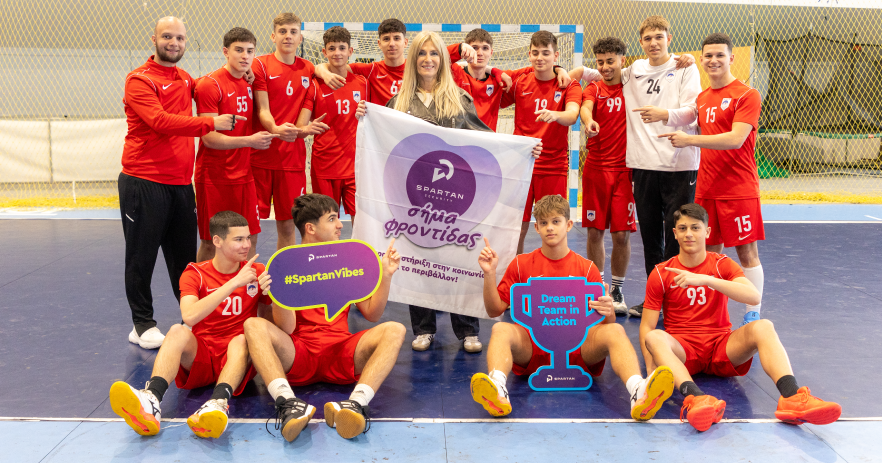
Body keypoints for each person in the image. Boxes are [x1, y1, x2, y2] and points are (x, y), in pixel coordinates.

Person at [365, 31, 541, 353]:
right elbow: (385, 142)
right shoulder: (398, 103)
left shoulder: (459, 99)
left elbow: (484, 140)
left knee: (459, 257)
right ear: (413, 60)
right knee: (418, 255)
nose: (428, 59)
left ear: (444, 60)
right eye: (422, 53)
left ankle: (467, 329)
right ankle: (424, 328)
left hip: (455, 197)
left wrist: (521, 149)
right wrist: (368, 120)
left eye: (434, 53)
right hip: (414, 197)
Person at [640, 203, 841, 432]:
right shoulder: (661, 273)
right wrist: (652, 374)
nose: (689, 234)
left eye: (695, 228)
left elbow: (753, 296)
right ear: (674, 233)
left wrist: (706, 280)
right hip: (684, 352)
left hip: (721, 348)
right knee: (654, 337)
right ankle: (696, 398)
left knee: (763, 326)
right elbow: (647, 327)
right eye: (683, 228)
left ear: (707, 232)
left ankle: (792, 397)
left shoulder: (721, 264)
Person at [471, 195, 674, 420]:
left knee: (616, 330)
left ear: (568, 225)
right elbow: (494, 310)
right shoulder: (520, 264)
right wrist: (489, 274)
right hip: (533, 349)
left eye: (556, 221)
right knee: (500, 329)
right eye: (544, 223)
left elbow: (606, 323)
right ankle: (498, 389)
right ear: (536, 228)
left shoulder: (587, 269)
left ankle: (638, 390)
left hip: (578, 351)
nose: (550, 228)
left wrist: (608, 310)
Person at [120, 16, 242, 349]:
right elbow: (160, 121)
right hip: (143, 181)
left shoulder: (186, 78)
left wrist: (240, 71)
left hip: (180, 184)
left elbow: (211, 83)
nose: (174, 43)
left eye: (180, 38)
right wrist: (210, 122)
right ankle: (142, 324)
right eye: (167, 37)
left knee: (184, 260)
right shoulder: (139, 80)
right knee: (141, 256)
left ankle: (194, 317)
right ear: (154, 39)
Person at [242, 194, 405, 442]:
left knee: (395, 329)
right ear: (310, 228)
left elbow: (372, 314)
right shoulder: (285, 266)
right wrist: (278, 295)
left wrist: (386, 276)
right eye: (332, 219)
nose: (340, 225)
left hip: (342, 352)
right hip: (299, 354)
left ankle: (355, 404)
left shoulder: (348, 261)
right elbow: (287, 328)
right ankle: (288, 403)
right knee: (253, 325)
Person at [109, 211, 271, 439]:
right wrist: (234, 283)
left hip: (237, 358)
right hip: (202, 357)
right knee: (177, 331)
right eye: (238, 239)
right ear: (217, 241)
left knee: (242, 338)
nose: (247, 245)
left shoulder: (257, 272)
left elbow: (266, 324)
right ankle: (151, 399)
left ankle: (218, 403)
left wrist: (271, 295)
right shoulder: (196, 273)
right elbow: (190, 316)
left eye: (247, 238)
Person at [659, 33, 765, 326]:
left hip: (739, 189)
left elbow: (735, 139)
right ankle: (709, 316)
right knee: (707, 254)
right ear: (702, 59)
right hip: (707, 189)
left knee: (746, 253)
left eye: (720, 55)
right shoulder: (702, 98)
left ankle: (752, 314)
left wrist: (689, 141)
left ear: (731, 58)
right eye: (708, 55)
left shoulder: (747, 95)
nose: (714, 60)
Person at [622, 16, 701, 318]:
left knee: (679, 233)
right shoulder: (633, 71)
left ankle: (676, 300)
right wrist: (567, 71)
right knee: (650, 236)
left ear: (669, 38)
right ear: (640, 42)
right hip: (643, 165)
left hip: (679, 164)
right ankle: (654, 298)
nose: (653, 43)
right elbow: (601, 72)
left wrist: (664, 114)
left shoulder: (685, 67)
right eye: (648, 38)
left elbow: (693, 112)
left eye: (659, 37)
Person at [194, 27, 277, 262]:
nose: (245, 56)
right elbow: (209, 138)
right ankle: (203, 284)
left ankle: (246, 284)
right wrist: (249, 141)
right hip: (214, 177)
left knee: (249, 238)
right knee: (211, 242)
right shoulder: (210, 84)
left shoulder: (249, 81)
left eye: (250, 51)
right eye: (239, 50)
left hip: (244, 175)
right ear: (225, 51)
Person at [499, 31, 582, 256]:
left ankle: (554, 270)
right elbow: (494, 89)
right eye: (535, 53)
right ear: (529, 55)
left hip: (553, 167)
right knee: (517, 228)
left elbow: (572, 115)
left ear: (556, 56)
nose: (540, 58)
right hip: (521, 166)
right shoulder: (520, 81)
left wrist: (556, 115)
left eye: (546, 53)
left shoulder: (569, 85)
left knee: (553, 226)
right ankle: (514, 269)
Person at [578, 37, 635, 315]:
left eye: (610, 61)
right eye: (600, 62)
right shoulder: (593, 88)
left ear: (622, 60)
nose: (605, 67)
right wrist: (588, 121)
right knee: (594, 231)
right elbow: (585, 107)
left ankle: (617, 289)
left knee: (622, 234)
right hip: (596, 169)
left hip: (625, 170)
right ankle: (596, 287)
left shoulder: (633, 86)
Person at [252, 12, 314, 250]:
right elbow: (262, 109)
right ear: (273, 36)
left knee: (287, 226)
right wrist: (276, 129)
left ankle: (284, 273)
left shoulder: (308, 68)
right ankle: (247, 274)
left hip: (291, 160)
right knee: (250, 226)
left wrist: (303, 130)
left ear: (300, 38)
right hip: (260, 157)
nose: (288, 36)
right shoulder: (259, 64)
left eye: (293, 32)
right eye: (283, 31)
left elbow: (304, 118)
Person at [295, 26, 366, 223]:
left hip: (354, 166)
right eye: (332, 48)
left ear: (350, 51)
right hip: (324, 167)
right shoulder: (315, 85)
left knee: (360, 221)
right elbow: (300, 128)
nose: (337, 53)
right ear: (324, 52)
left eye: (342, 48)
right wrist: (307, 129)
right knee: (326, 222)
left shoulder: (363, 83)